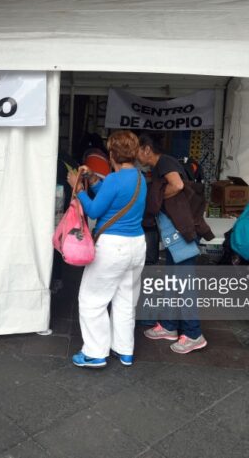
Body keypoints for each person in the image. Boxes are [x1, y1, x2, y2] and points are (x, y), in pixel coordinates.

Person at [67, 130, 147, 368]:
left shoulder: (114, 179)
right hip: (137, 245)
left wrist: (78, 188)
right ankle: (124, 350)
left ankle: (94, 352)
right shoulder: (141, 178)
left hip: (113, 247)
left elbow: (94, 210)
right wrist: (93, 180)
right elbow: (114, 198)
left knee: (92, 300)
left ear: (111, 153)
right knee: (125, 300)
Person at [136, 133, 208, 355]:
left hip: (182, 232)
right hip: (174, 233)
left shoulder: (165, 161)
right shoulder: (159, 166)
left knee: (185, 285)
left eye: (138, 150)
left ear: (147, 149)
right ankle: (168, 326)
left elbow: (176, 185)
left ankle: (194, 334)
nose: (136, 155)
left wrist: (156, 199)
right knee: (171, 281)